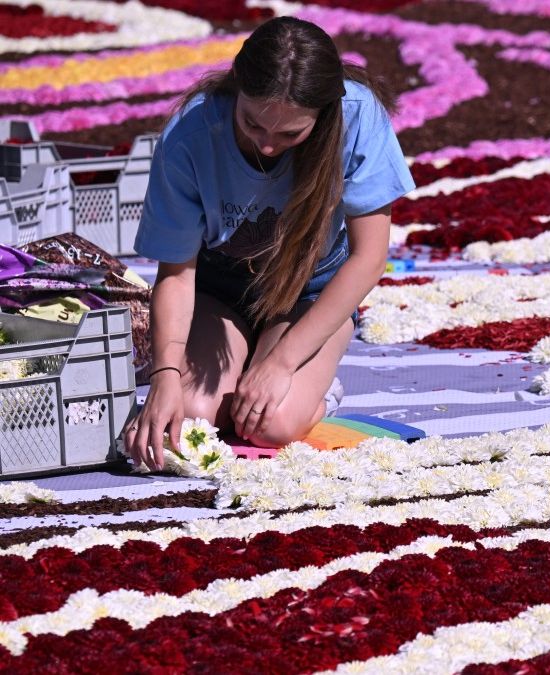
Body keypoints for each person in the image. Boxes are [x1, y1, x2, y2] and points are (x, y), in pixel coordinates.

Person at [122, 16, 414, 470]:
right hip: (221, 288)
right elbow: (176, 274)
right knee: (193, 416)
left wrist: (282, 362)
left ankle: (313, 387)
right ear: (237, 88)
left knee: (270, 423)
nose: (268, 146)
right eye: (253, 124)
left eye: (290, 134)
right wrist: (164, 376)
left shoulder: (358, 115)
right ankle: (252, 361)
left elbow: (368, 257)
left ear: (323, 113)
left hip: (309, 288)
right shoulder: (190, 133)